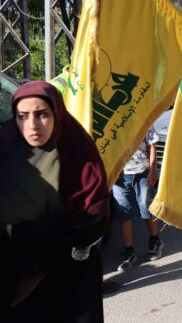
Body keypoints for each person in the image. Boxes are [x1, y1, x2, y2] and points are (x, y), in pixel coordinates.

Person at [0, 81, 110, 322]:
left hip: (71, 274)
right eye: (22, 116)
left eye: (42, 115)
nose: (32, 126)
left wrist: (20, 231)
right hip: (17, 277)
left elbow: (94, 220)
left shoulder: (78, 151)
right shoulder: (6, 146)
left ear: (57, 113)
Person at [112, 126, 164, 271]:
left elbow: (151, 145)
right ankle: (129, 251)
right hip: (119, 177)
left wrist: (153, 171)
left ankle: (155, 241)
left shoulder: (141, 116)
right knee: (123, 212)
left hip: (142, 172)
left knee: (147, 207)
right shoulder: (111, 122)